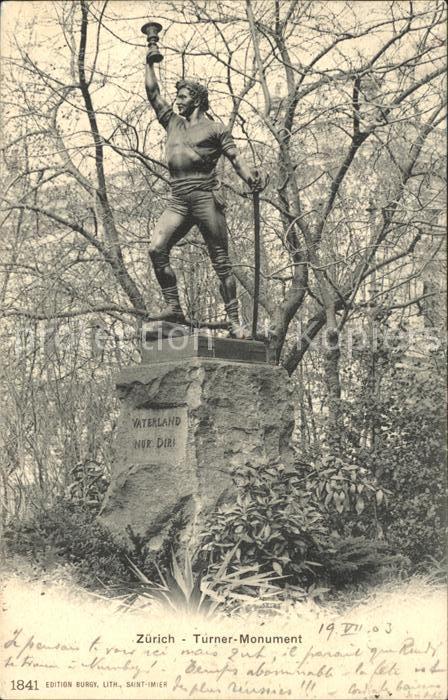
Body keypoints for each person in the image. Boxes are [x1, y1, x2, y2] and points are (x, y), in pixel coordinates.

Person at [145, 56, 262, 338]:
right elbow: (153, 94)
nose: (177, 101)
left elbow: (235, 158)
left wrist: (250, 178)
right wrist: (149, 62)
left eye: (183, 97)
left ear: (196, 100)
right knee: (156, 249)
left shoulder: (216, 129)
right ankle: (174, 308)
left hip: (205, 197)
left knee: (221, 261)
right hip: (178, 198)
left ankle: (234, 321)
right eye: (177, 96)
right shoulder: (172, 122)